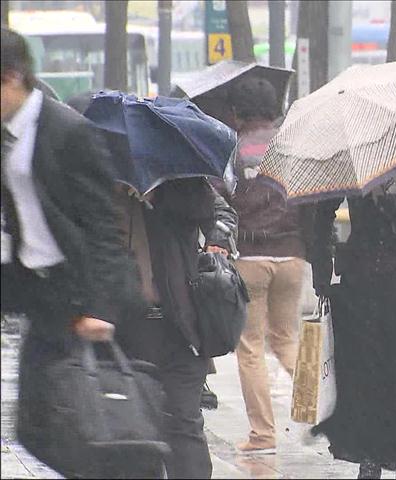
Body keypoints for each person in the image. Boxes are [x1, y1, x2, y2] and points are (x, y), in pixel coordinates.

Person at [0, 26, 132, 472]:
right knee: (35, 426)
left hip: (78, 295)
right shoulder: (9, 135)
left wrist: (101, 307)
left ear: (12, 78)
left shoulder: (68, 132)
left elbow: (102, 226)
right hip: (39, 292)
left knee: (87, 418)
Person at [308, 156, 396, 480]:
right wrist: (321, 269)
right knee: (367, 372)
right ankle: (369, 454)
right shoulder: (353, 161)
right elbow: (323, 213)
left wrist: (395, 203)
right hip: (363, 281)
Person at [113, 177, 237, 479]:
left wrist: (156, 196)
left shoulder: (179, 182)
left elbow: (222, 215)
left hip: (179, 326)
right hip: (123, 330)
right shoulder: (102, 182)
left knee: (184, 425)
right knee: (134, 433)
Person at [215, 76, 313, 455]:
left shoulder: (231, 150)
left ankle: (262, 435)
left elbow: (219, 198)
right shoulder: (292, 148)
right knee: (287, 339)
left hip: (250, 259)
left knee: (251, 346)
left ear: (237, 111)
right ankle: (321, 413)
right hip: (292, 256)